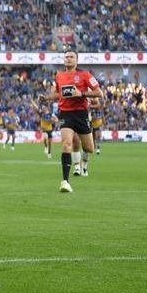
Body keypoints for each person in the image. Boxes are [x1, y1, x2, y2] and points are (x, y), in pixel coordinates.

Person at [38, 49, 103, 193]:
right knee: (67, 144)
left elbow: (99, 93)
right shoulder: (59, 76)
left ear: (76, 60)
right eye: (66, 56)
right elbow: (58, 93)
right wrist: (47, 97)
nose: (68, 59)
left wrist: (82, 93)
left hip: (81, 114)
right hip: (65, 114)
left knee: (89, 148)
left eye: (71, 57)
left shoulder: (85, 75)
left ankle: (82, 163)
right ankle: (65, 182)